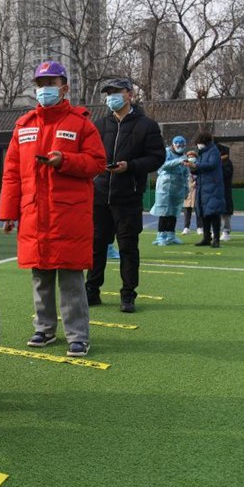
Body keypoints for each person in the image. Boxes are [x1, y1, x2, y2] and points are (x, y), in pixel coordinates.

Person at [0, 60, 106, 357]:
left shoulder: (81, 123)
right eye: (40, 84)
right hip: (35, 214)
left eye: (51, 83)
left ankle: (78, 335)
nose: (45, 89)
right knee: (41, 276)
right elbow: (11, 172)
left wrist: (66, 161)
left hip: (69, 215)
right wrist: (9, 212)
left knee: (71, 278)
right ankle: (44, 329)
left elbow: (97, 162)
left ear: (65, 87)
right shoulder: (23, 126)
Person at [85, 78, 165, 313]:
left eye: (116, 92)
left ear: (129, 94)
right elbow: (90, 155)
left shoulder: (147, 125)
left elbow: (157, 157)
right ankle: (92, 290)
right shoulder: (99, 125)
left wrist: (129, 166)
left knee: (128, 247)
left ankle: (128, 294)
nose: (111, 97)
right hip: (99, 196)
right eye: (108, 93)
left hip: (128, 197)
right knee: (96, 245)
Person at [183, 131, 225, 248]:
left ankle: (216, 239)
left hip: (213, 186)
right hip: (202, 186)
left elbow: (211, 165)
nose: (198, 146)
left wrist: (196, 166)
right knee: (203, 213)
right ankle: (207, 237)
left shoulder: (214, 151)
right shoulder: (202, 153)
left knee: (213, 213)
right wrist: (192, 168)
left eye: (199, 143)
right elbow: (199, 169)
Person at [149, 136, 189, 246]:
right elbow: (162, 166)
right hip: (165, 186)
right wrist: (177, 161)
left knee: (174, 211)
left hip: (178, 187)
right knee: (164, 211)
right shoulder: (166, 153)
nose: (180, 147)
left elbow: (186, 173)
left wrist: (186, 188)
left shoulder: (184, 156)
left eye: (182, 146)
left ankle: (171, 235)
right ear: (173, 144)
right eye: (178, 145)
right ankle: (161, 235)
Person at [219, 145, 234, 240]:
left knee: (225, 212)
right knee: (216, 212)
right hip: (216, 190)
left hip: (224, 190)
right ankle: (216, 230)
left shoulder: (227, 163)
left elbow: (226, 175)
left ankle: (226, 231)